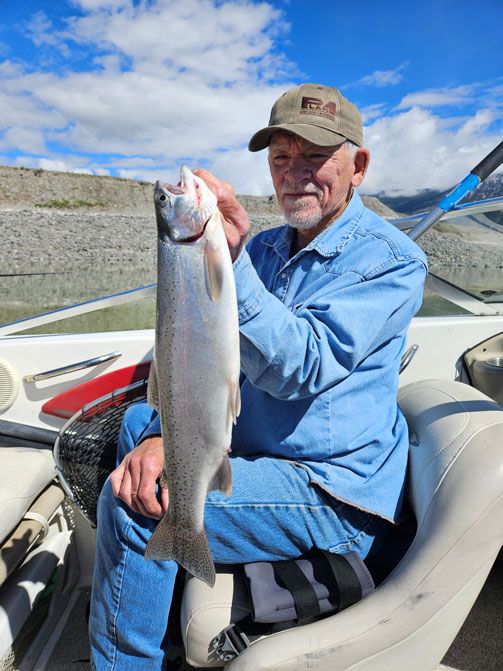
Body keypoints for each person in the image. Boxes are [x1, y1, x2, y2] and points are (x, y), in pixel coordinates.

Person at [89, 83, 427, 670]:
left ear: (359, 167)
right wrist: (162, 434)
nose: (295, 173)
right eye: (281, 157)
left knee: (135, 500)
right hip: (260, 447)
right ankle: (159, 610)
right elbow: (211, 358)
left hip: (329, 490)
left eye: (315, 156)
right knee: (141, 424)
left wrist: (231, 261)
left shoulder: (392, 261)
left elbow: (302, 366)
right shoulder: (266, 248)